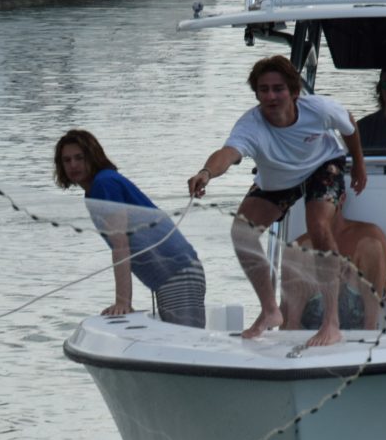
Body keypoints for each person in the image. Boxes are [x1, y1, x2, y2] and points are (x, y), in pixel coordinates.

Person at [187, 54, 366, 347]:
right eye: (264, 89)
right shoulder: (250, 125)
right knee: (242, 233)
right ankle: (270, 310)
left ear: (294, 92)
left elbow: (349, 125)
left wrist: (359, 163)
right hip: (279, 179)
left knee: (318, 226)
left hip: (323, 164)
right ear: (257, 94)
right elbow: (228, 154)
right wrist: (206, 173)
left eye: (278, 88)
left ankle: (331, 322)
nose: (271, 96)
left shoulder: (319, 109)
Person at [54, 129, 206, 327]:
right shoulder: (98, 188)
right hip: (174, 274)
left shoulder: (104, 184)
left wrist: (123, 302)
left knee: (187, 346)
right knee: (181, 344)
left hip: (177, 274)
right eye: (67, 160)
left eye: (79, 158)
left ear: (92, 157)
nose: (73, 165)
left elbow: (121, 245)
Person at [281, 192, 386, 331]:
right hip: (314, 316)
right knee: (301, 249)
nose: (318, 207)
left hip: (356, 310)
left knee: (371, 246)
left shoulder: (369, 232)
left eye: (324, 200)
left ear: (341, 199)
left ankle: (370, 331)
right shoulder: (301, 242)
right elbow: (286, 300)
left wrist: (364, 285)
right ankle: (292, 330)